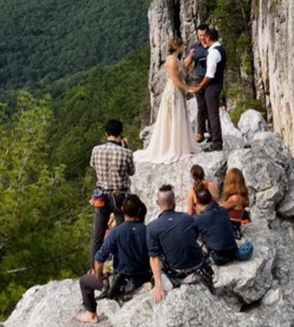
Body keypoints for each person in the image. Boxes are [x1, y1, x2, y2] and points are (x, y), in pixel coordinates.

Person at [76, 196, 151, 324]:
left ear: (122, 209)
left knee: (84, 281)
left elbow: (98, 259)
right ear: (139, 211)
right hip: (144, 278)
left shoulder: (116, 232)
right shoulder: (147, 231)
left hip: (122, 283)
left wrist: (100, 276)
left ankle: (92, 315)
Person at [135, 38, 200, 163]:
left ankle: (179, 144)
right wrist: (189, 89)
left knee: (177, 117)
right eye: (182, 46)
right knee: (174, 117)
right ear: (178, 47)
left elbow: (183, 66)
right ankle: (174, 147)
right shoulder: (171, 61)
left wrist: (190, 56)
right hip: (173, 93)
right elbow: (175, 80)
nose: (183, 48)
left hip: (176, 92)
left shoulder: (175, 59)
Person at [147, 184, 210, 303]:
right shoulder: (188, 218)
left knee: (155, 261)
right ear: (174, 202)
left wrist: (158, 285)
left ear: (157, 202)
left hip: (177, 271)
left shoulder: (152, 227)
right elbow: (195, 236)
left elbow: (154, 258)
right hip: (198, 266)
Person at [89, 119, 135, 269]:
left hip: (101, 195)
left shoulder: (96, 149)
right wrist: (126, 147)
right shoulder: (126, 153)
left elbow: (93, 166)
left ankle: (94, 269)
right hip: (119, 196)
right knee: (123, 232)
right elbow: (131, 172)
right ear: (121, 134)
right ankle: (123, 267)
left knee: (98, 235)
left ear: (106, 134)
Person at [190, 28, 226, 151]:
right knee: (212, 113)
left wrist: (200, 87)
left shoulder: (213, 53)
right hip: (218, 83)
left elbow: (210, 74)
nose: (204, 39)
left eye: (206, 37)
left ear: (209, 38)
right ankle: (214, 138)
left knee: (212, 114)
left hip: (212, 86)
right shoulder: (220, 49)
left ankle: (216, 142)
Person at [193, 188, 239, 265]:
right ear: (211, 198)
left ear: (198, 202)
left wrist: (198, 214)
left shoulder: (200, 218)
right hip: (233, 252)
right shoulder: (223, 211)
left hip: (219, 257)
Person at [183, 24, 210, 143]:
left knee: (211, 106)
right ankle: (200, 132)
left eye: (204, 35)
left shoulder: (212, 46)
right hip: (198, 79)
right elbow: (185, 64)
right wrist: (190, 55)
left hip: (210, 78)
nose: (202, 38)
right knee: (201, 106)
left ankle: (212, 132)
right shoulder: (194, 47)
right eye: (200, 35)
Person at [220, 168, 250, 238]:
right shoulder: (240, 195)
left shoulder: (235, 198)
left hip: (231, 225)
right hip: (235, 225)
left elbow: (221, 208)